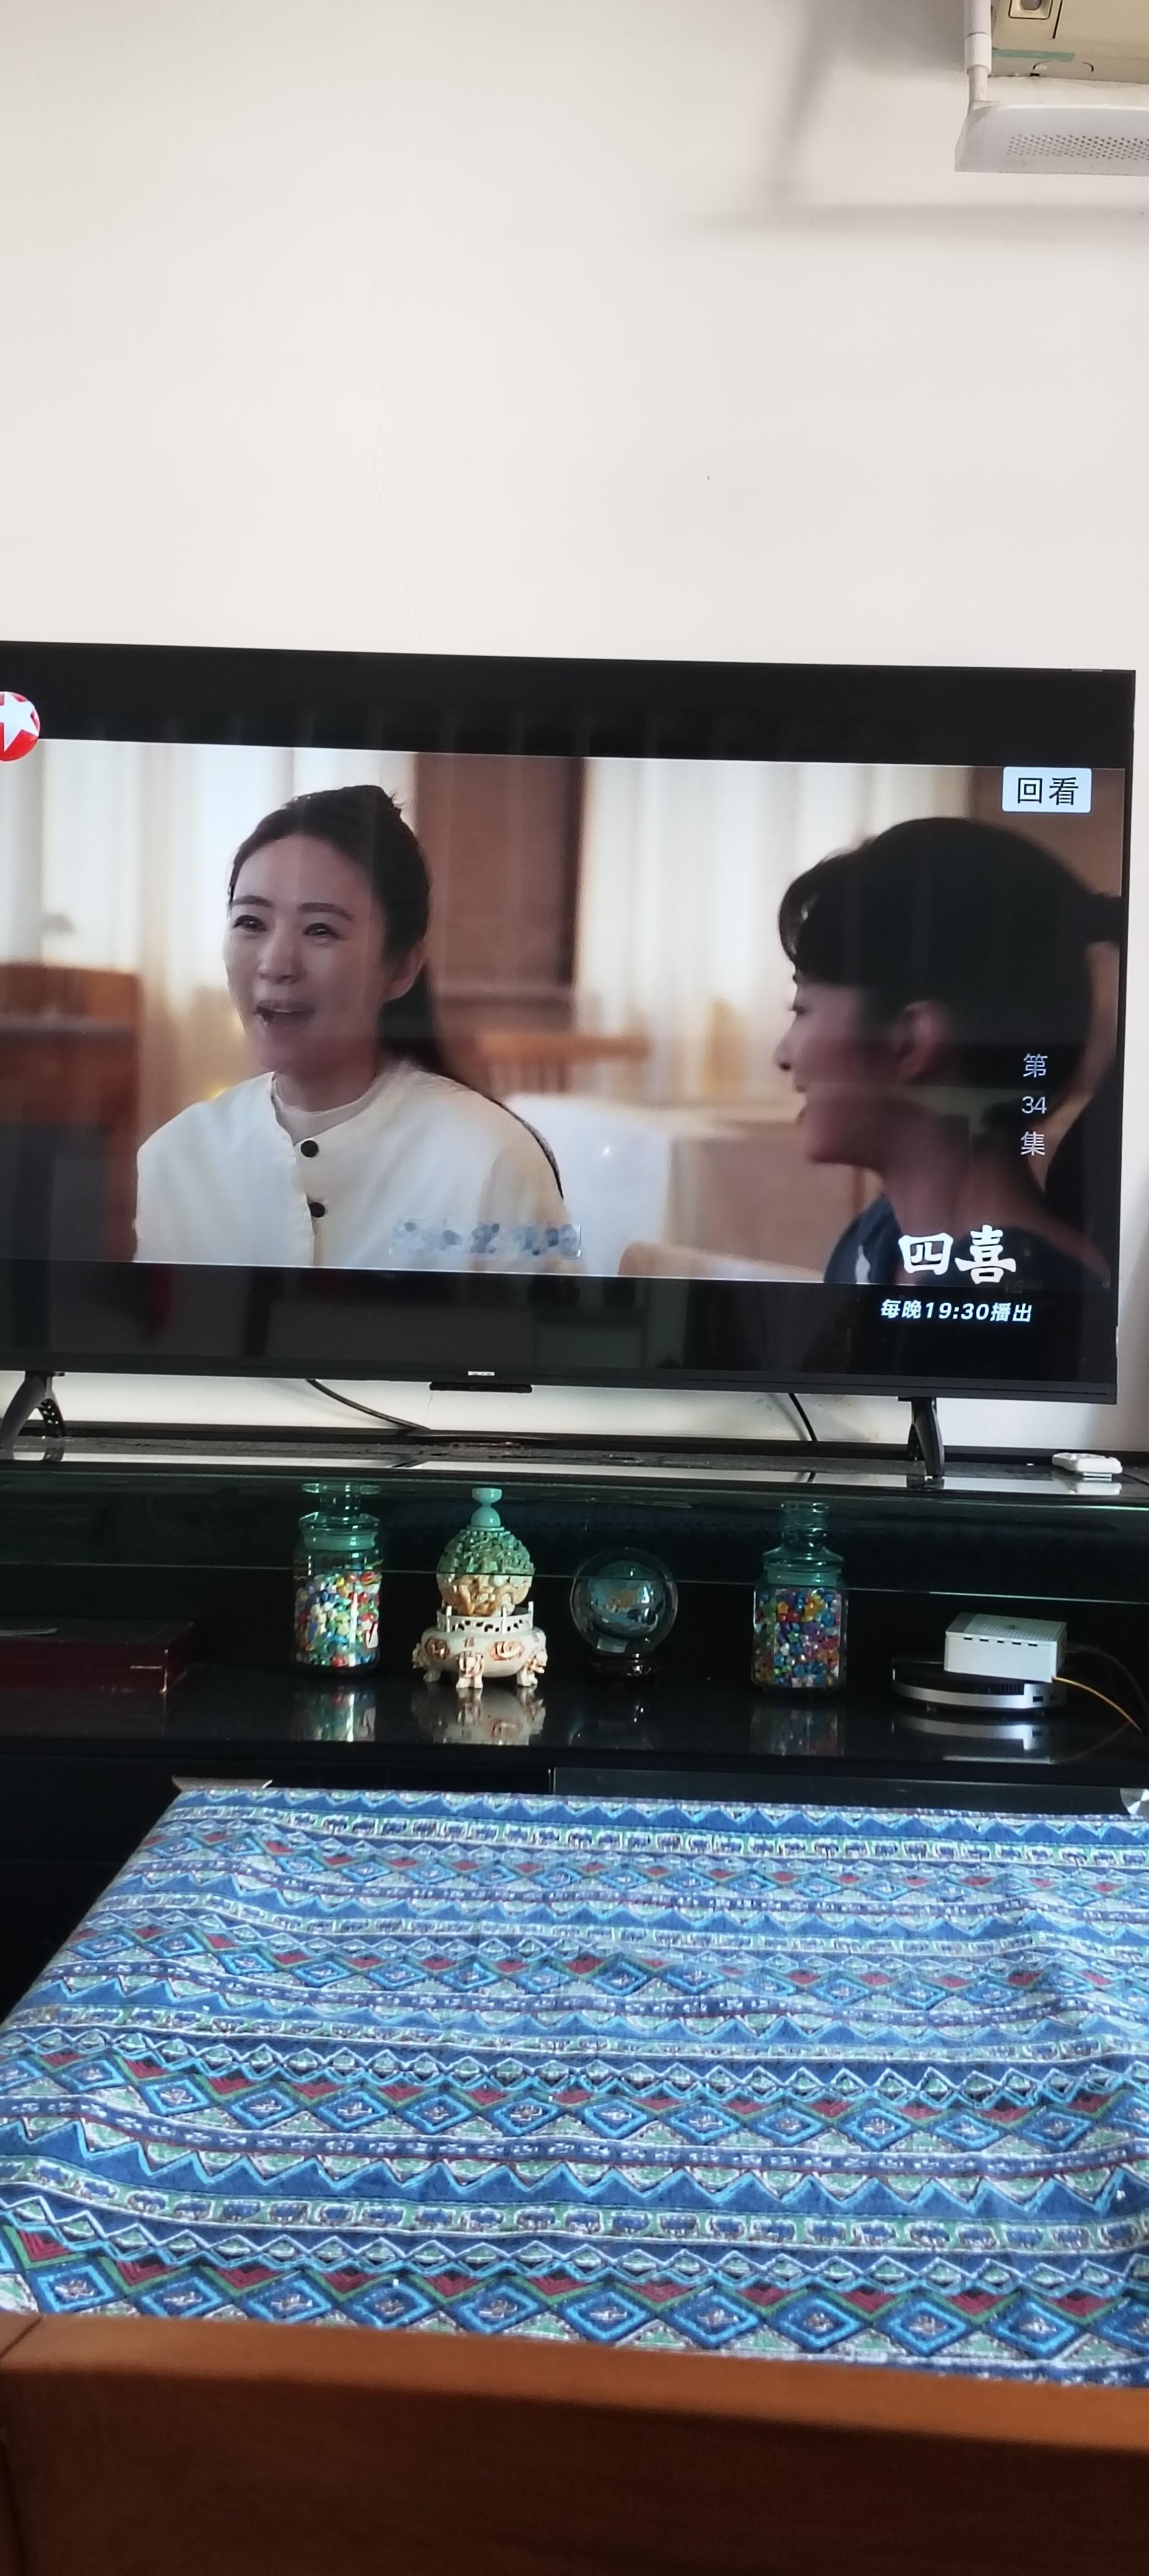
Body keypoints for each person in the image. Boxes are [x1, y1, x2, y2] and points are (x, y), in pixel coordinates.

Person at [135, 783, 573, 1270]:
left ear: (401, 968)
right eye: (251, 923)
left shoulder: (493, 1160)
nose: (276, 964)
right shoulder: (176, 1158)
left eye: (320, 930)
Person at [773, 816, 1119, 1292]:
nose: (783, 1055)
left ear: (913, 1041)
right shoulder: (873, 1242)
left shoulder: (1034, 1292)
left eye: (802, 1010)